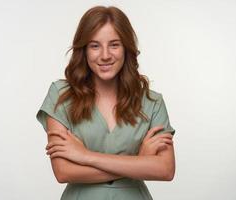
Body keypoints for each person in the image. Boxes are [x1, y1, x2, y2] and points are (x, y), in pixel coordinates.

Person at [36, 5, 175, 200]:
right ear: (83, 50)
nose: (105, 55)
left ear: (126, 48)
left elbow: (165, 170)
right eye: (94, 46)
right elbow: (63, 172)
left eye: (114, 44)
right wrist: (139, 162)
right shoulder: (61, 95)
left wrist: (85, 156)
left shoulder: (152, 102)